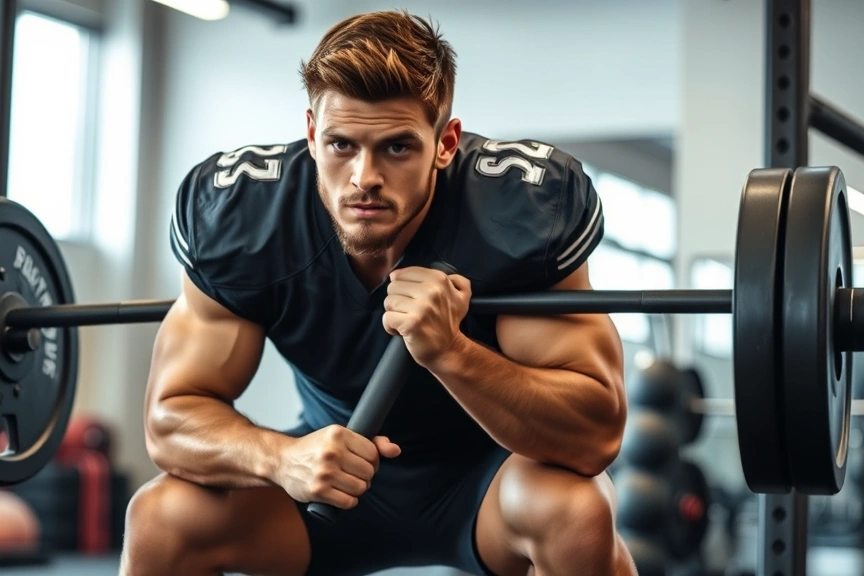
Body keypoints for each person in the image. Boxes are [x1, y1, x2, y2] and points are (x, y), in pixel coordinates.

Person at [122, 9, 635, 576]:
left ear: (446, 143)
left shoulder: (520, 214)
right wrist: (282, 458)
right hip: (325, 484)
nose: (364, 176)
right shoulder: (243, 219)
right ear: (313, 133)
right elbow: (170, 421)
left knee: (577, 510)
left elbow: (594, 436)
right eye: (342, 145)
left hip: (485, 484)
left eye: (396, 148)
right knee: (161, 516)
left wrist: (451, 352)